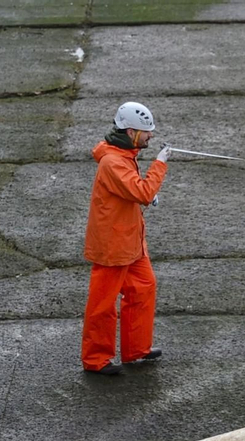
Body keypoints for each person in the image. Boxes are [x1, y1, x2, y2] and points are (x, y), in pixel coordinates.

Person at [81, 101, 171, 376]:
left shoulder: (121, 154)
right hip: (113, 245)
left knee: (144, 287)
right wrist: (159, 165)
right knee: (103, 304)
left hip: (128, 241)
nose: (150, 135)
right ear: (131, 132)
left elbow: (132, 190)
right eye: (146, 131)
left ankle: (137, 349)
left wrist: (145, 191)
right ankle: (96, 360)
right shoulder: (113, 161)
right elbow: (141, 193)